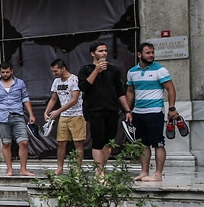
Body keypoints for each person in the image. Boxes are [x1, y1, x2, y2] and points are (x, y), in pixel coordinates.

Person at [77, 41, 130, 177]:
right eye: (100, 51)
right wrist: (96, 71)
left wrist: (127, 110)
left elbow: (119, 92)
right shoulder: (86, 69)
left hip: (111, 109)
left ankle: (101, 167)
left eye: (105, 51)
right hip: (94, 109)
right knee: (97, 139)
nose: (104, 53)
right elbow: (84, 87)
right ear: (93, 53)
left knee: (109, 140)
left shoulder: (113, 70)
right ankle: (99, 171)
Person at [126, 41, 177, 182]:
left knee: (158, 143)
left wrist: (172, 108)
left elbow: (170, 89)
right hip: (138, 112)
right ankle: (144, 172)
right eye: (148, 53)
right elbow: (130, 91)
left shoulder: (160, 70)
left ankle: (158, 174)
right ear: (139, 54)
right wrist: (128, 110)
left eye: (152, 52)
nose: (151, 55)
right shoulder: (132, 72)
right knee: (142, 144)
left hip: (155, 112)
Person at [0, 61, 37, 177]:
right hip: (2, 117)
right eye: (3, 72)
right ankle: (9, 169)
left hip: (17, 115)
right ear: (0, 72)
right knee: (6, 143)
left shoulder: (20, 83)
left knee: (24, 142)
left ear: (12, 71)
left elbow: (25, 98)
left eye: (7, 72)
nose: (5, 74)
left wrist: (31, 114)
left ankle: (23, 169)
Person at [43, 59, 85, 174]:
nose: (54, 73)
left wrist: (58, 111)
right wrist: (46, 112)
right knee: (61, 142)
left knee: (78, 142)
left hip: (76, 114)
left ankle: (78, 168)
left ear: (63, 68)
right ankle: (60, 167)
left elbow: (74, 100)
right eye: (53, 71)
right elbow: (53, 98)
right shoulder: (56, 81)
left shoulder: (74, 80)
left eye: (56, 71)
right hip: (64, 115)